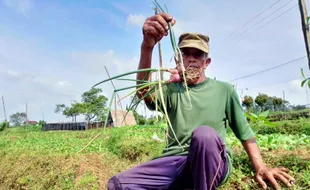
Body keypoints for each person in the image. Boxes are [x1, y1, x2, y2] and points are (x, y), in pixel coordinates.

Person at [107, 13, 295, 190]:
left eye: (197, 54)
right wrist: (147, 47)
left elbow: (244, 132)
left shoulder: (224, 90)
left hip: (212, 161)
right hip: (175, 163)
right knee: (117, 184)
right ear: (177, 60)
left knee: (204, 135)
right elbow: (143, 92)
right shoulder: (171, 89)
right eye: (185, 54)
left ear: (207, 62)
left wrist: (260, 166)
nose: (191, 59)